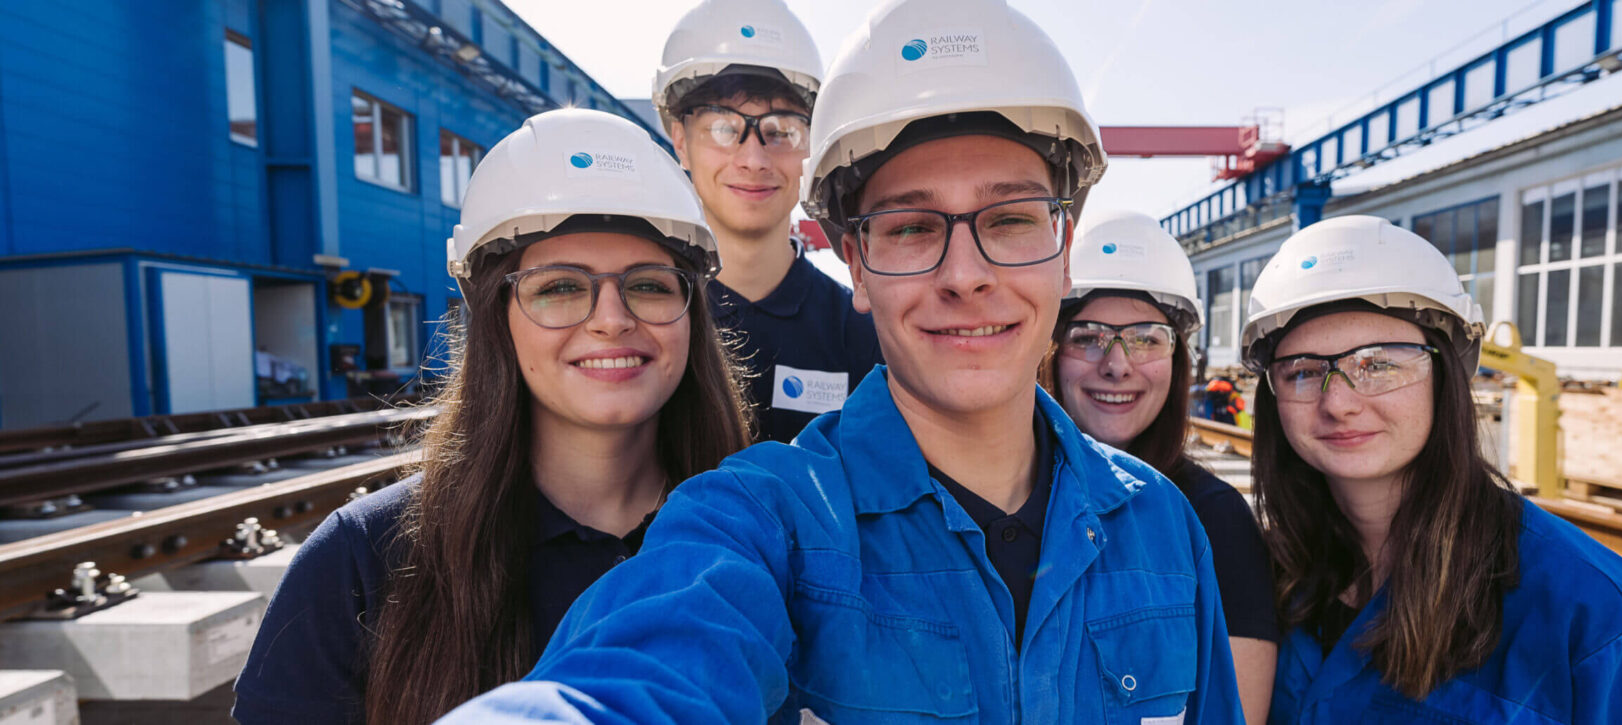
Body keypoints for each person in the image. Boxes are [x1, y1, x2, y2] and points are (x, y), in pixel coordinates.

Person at [442, 1, 1243, 722]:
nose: (966, 275)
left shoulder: (1161, 523)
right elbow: (640, 673)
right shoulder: (764, 517)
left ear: (1065, 253)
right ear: (856, 266)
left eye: (1011, 220)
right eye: (910, 228)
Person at [230, 110, 752, 724]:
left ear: (692, 314)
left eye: (649, 284)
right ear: (495, 319)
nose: (611, 318)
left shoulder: (758, 537)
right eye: (558, 287)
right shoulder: (365, 558)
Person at [1238, 216, 1622, 723]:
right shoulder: (1273, 584)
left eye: (1379, 364)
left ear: (1447, 376)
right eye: (1304, 372)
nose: (1340, 403)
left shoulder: (1599, 621)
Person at [1043, 209, 1278, 724]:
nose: (1118, 362)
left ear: (1177, 362)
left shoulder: (1217, 523)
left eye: (1147, 337)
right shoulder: (1008, 498)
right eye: (1088, 336)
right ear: (1052, 352)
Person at [653, 0, 881, 443]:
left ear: (811, 145)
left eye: (780, 131)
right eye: (723, 128)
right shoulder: (648, 319)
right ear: (680, 141)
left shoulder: (861, 332)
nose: (754, 159)